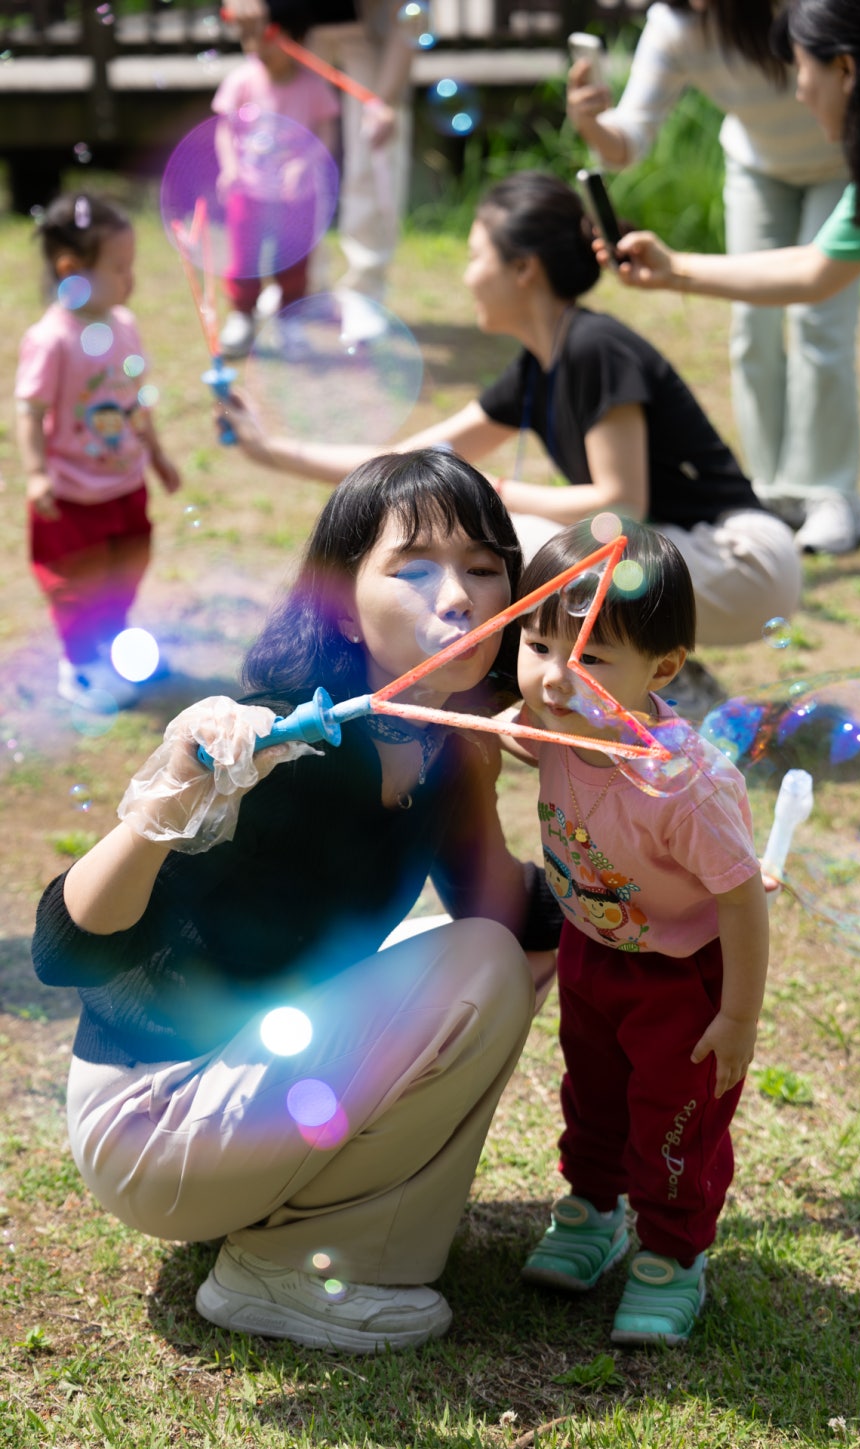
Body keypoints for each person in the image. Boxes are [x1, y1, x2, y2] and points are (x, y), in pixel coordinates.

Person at [31, 448, 561, 1354]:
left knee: (497, 956)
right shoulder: (274, 735)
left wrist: (602, 803)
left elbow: (515, 923)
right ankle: (284, 1270)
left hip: (247, 1088)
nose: (460, 594)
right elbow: (63, 951)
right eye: (416, 566)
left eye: (484, 566)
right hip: (153, 1115)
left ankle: (307, 1232)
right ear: (343, 600)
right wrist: (166, 798)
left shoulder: (444, 746)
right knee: (478, 967)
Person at [224, 171, 803, 720]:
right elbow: (406, 465)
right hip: (688, 558)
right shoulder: (539, 368)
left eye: (477, 257)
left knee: (512, 540)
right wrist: (271, 449)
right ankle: (666, 678)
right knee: (506, 536)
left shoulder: (593, 347)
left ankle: (664, 684)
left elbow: (620, 501)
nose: (467, 274)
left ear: (523, 268)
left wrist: (498, 491)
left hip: (743, 560)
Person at [509, 520, 768, 1346]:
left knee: (671, 1118)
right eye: (539, 643)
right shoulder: (549, 722)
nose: (554, 677)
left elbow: (742, 901)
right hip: (593, 951)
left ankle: (670, 1253)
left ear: (662, 669)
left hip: (680, 978)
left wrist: (737, 1017)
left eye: (589, 656)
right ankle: (593, 1210)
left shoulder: (685, 787)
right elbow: (521, 719)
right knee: (591, 1090)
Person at [566, 0, 860, 556]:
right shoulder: (676, 25)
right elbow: (629, 141)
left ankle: (828, 491)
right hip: (758, 166)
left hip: (842, 162)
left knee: (820, 324)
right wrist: (592, 122)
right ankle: (773, 491)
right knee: (752, 324)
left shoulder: (799, 10)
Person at [604, 3, 860, 331]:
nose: (800, 93)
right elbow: (813, 270)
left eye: (802, 69)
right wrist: (674, 268)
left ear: (845, 68)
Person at [14, 192, 181, 711]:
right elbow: (29, 410)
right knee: (76, 585)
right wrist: (37, 472)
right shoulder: (52, 339)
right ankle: (80, 665)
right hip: (72, 496)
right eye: (119, 267)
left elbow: (135, 401)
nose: (130, 279)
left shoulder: (124, 325)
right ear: (72, 269)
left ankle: (112, 642)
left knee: (125, 569)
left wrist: (156, 454)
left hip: (124, 485)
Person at [225, 0, 417, 344]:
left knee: (373, 151)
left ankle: (364, 289)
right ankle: (301, 285)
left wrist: (383, 102)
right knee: (282, 150)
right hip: (295, 27)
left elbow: (409, 20)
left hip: (371, 33)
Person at [213, 0, 340, 360]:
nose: (257, 46)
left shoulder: (313, 86)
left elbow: (326, 135)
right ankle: (242, 315)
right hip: (249, 192)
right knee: (243, 258)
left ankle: (290, 320)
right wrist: (230, 167)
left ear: (295, 40)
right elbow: (225, 129)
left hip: (297, 196)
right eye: (250, 37)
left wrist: (304, 163)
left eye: (268, 36)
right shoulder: (242, 80)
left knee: (294, 261)